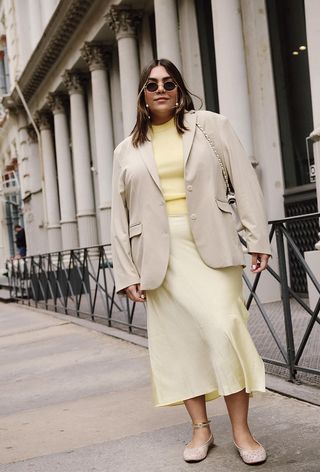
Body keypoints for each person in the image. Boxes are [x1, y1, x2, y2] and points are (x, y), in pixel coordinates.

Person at [111, 58, 272, 465]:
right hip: (159, 259)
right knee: (180, 343)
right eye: (151, 84)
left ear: (180, 89)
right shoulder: (126, 150)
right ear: (142, 96)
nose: (160, 89)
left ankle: (242, 430)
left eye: (168, 82)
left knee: (225, 327)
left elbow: (245, 182)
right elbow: (119, 215)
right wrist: (126, 272)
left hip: (213, 247)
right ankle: (201, 428)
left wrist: (257, 238)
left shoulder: (211, 126)